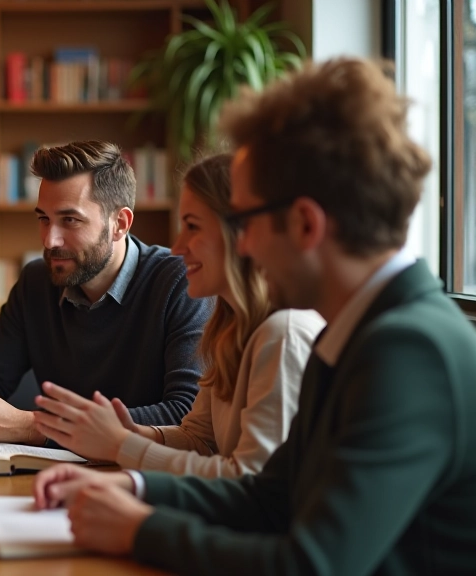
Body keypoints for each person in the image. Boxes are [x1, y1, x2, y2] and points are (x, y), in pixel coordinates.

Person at [33, 58, 476, 574]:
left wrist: (139, 529)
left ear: (306, 224)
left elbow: (312, 564)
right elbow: (269, 497)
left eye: (243, 221)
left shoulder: (407, 351)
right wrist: (130, 484)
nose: (239, 246)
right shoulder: (357, 333)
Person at [32, 153, 324, 477]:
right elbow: (199, 439)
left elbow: (251, 483)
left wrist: (122, 447)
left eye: (192, 227)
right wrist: (125, 433)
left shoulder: (283, 334)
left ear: (241, 234)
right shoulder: (229, 327)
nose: (177, 247)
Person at [0, 140, 212, 444]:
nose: (49, 240)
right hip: (52, 476)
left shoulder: (180, 282)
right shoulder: (36, 281)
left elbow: (186, 415)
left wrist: (37, 426)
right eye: (44, 218)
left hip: (142, 478)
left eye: (69, 220)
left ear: (119, 224)